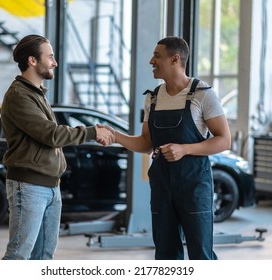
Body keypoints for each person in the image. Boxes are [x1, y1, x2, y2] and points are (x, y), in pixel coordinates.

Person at [101, 36, 231, 260]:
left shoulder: (203, 94)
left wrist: (185, 149)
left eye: (157, 56)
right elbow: (146, 142)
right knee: (165, 253)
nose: (151, 60)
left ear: (175, 59)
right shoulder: (153, 98)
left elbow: (224, 140)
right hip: (162, 184)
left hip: (194, 186)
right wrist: (116, 136)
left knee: (201, 253)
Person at [1, 34, 114, 260]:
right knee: (18, 256)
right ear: (33, 61)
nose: (55, 62)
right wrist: (92, 132)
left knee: (43, 256)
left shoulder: (37, 94)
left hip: (50, 186)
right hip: (29, 186)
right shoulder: (19, 95)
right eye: (50, 57)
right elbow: (51, 134)